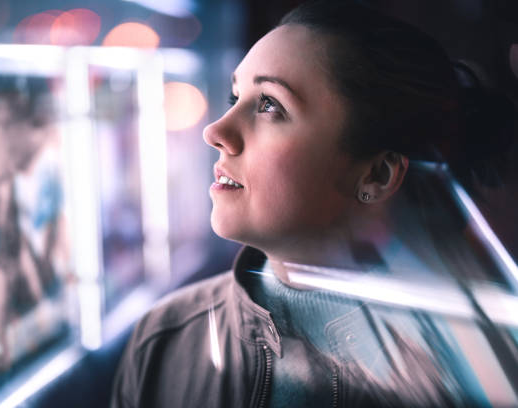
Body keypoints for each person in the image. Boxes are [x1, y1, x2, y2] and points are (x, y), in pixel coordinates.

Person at [111, 1, 517, 407]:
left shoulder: (473, 374)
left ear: (376, 175)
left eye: (270, 105)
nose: (216, 130)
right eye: (236, 95)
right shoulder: (166, 340)